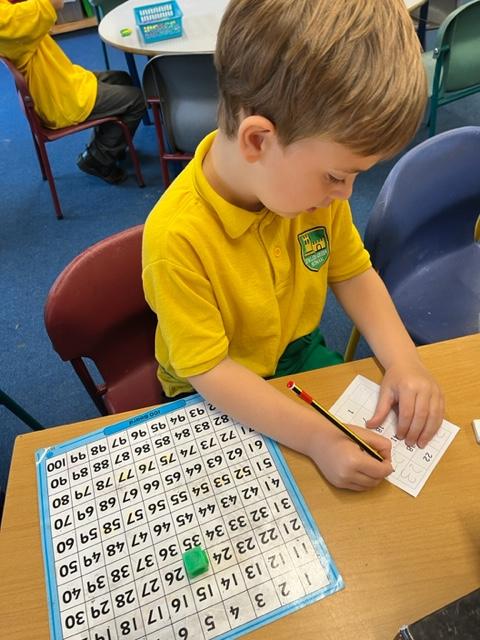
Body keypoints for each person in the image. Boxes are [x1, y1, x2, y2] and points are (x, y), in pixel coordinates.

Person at [142, 0, 445, 491]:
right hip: (208, 393)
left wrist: (405, 361)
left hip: (296, 355)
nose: (345, 195)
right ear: (258, 141)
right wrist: (317, 438)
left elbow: (353, 272)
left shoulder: (310, 194)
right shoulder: (175, 238)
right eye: (337, 176)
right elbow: (210, 371)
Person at [0, 0, 146, 184]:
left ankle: (106, 145)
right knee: (137, 100)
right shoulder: (7, 19)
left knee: (121, 78)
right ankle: (98, 159)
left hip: (60, 79)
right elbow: (56, 4)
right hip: (57, 97)